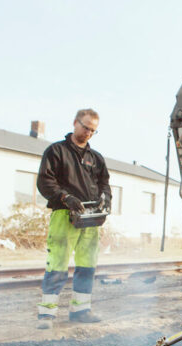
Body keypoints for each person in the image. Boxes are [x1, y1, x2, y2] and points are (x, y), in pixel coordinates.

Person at [35, 108, 112, 330]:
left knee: (87, 265)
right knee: (57, 263)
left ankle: (81, 310)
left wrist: (106, 200)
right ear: (75, 123)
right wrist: (65, 197)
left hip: (90, 218)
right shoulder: (56, 151)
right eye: (85, 127)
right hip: (64, 214)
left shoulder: (96, 158)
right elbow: (45, 181)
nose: (88, 132)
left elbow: (104, 183)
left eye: (93, 130)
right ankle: (47, 315)